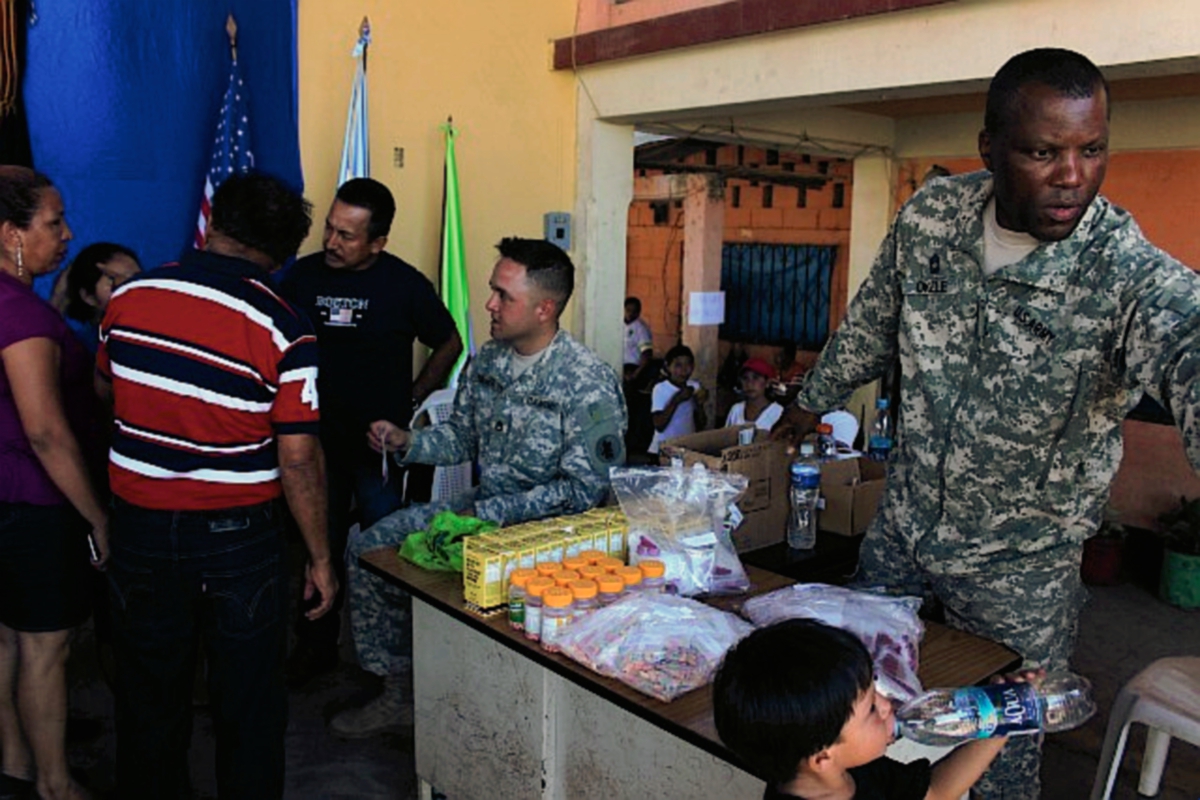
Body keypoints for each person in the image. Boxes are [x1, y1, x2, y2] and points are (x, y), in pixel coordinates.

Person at [772, 47, 1200, 798]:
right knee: (860, 716)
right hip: (903, 528)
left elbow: (1189, 338)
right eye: (1043, 151)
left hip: (1020, 568)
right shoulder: (932, 218)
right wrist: (808, 399)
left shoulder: (1123, 271)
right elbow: (873, 325)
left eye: (1092, 149)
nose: (1073, 175)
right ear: (990, 148)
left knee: (1000, 761)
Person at [96, 173, 337, 799]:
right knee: (249, 701)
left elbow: (107, 391)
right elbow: (299, 458)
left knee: (148, 696)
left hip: (139, 527)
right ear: (282, 253)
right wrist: (318, 557)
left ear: (212, 224)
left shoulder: (128, 297)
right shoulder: (287, 327)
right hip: (238, 540)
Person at [330, 236, 626, 737]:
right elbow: (461, 436)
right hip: (482, 514)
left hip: (548, 539)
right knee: (368, 548)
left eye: (502, 295)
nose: (488, 304)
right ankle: (400, 689)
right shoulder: (487, 360)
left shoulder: (586, 382)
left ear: (544, 307)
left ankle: (480, 713)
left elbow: (584, 491)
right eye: (492, 291)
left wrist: (497, 513)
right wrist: (408, 441)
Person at [280, 177, 462, 688]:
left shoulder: (404, 285)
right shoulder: (302, 277)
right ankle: (315, 647)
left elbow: (449, 342)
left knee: (384, 550)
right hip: (313, 447)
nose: (332, 243)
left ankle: (386, 666)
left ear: (378, 241)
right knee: (319, 547)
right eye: (330, 230)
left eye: (347, 236)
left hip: (378, 449)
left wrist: (412, 397)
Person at [0, 166, 108, 800]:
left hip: (7, 499)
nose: (67, 234)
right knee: (46, 648)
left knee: (9, 637)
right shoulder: (22, 317)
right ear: (12, 232)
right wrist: (98, 516)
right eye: (53, 222)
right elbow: (46, 432)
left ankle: (15, 766)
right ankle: (55, 784)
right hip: (36, 504)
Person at [712, 619, 1009, 800]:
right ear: (822, 757)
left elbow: (935, 794)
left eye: (875, 688)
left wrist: (1000, 723)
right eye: (870, 709)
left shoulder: (859, 771)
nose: (886, 704)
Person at [54, 242, 142, 354]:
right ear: (88, 297)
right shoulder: (82, 349)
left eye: (136, 278)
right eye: (112, 279)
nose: (130, 286)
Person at [649, 343, 707, 454]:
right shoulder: (660, 388)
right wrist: (677, 399)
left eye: (688, 365)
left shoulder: (694, 386)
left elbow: (701, 424)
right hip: (663, 449)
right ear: (667, 366)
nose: (684, 370)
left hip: (686, 448)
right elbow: (659, 425)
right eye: (678, 365)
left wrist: (700, 404)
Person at [622, 296, 656, 456]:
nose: (631, 314)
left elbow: (646, 355)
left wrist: (635, 375)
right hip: (620, 368)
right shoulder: (619, 324)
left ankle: (633, 442)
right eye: (628, 310)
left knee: (632, 408)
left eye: (634, 311)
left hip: (634, 370)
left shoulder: (640, 328)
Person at [725, 356, 784, 432]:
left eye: (756, 378)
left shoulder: (778, 412)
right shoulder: (736, 410)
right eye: (745, 378)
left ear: (767, 383)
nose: (749, 384)